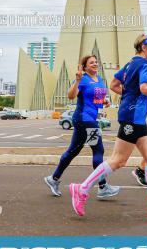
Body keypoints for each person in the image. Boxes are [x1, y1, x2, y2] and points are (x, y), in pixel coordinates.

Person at [69, 35, 147, 221]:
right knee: (118, 160)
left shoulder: (130, 64)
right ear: (144, 47)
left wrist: (130, 94)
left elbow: (114, 85)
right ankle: (81, 189)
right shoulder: (145, 64)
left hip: (134, 117)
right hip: (133, 117)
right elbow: (146, 88)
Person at [44, 54, 120, 200]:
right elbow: (71, 96)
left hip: (90, 119)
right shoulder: (83, 79)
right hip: (83, 119)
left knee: (73, 151)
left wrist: (104, 101)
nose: (95, 64)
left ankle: (53, 179)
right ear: (84, 67)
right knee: (98, 149)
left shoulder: (100, 80)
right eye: (91, 62)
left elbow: (95, 98)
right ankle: (103, 187)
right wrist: (77, 80)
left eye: (96, 62)